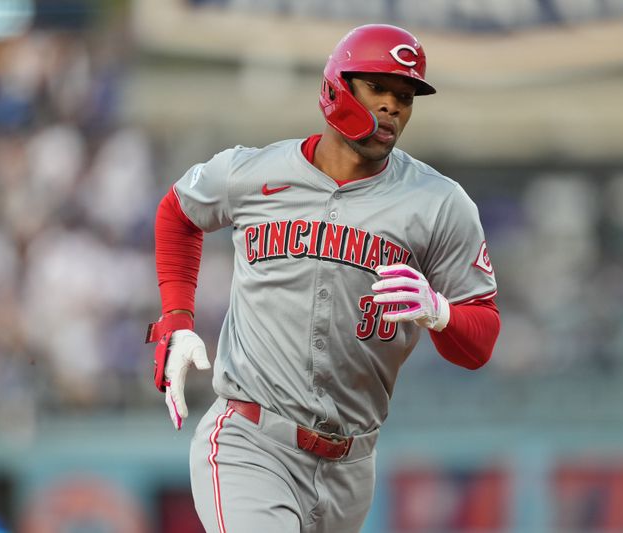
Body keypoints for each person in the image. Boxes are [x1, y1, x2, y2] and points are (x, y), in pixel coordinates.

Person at [146, 24, 501, 533]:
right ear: (338, 87)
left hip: (351, 466)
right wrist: (177, 319)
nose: (393, 106)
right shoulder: (253, 173)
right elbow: (177, 211)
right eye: (377, 87)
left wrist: (442, 314)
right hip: (251, 439)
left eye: (405, 95)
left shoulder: (440, 204)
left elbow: (480, 342)